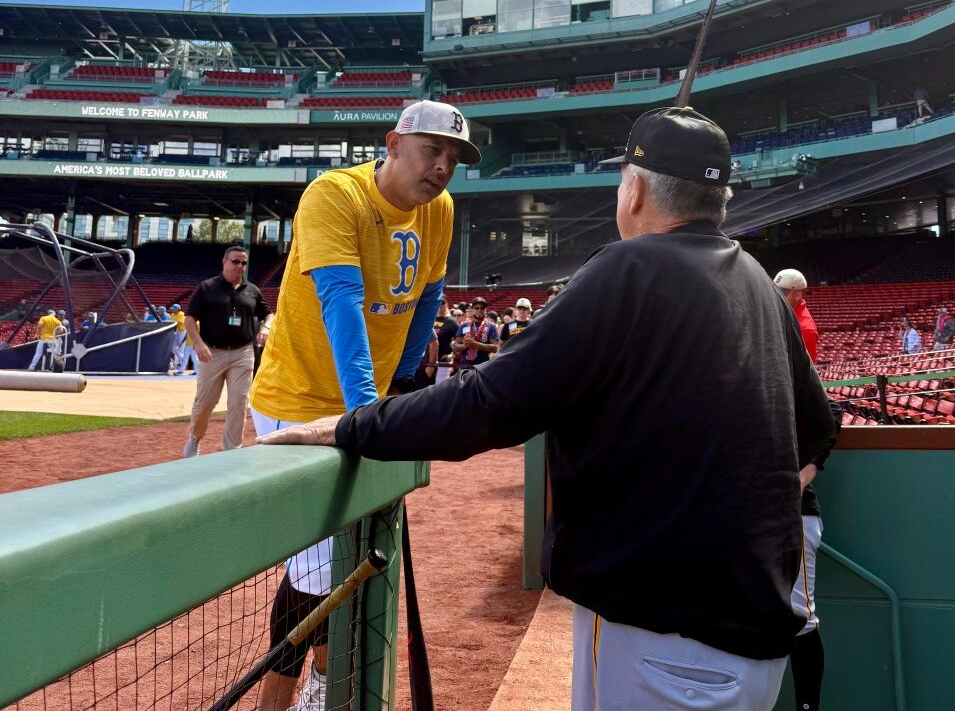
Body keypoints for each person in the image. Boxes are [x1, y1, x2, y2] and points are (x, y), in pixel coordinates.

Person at [261, 106, 837, 711]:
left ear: (636, 191)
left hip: (663, 638)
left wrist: (357, 423)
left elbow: (488, 402)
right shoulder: (757, 281)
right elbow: (818, 428)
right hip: (756, 635)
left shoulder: (628, 268)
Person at [247, 99, 478, 711]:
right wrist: (370, 414)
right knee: (319, 567)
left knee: (338, 556)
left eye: (453, 157)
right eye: (432, 150)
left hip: (363, 404)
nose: (443, 166)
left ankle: (318, 686)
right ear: (394, 144)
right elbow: (342, 302)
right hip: (299, 398)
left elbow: (428, 296)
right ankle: (304, 691)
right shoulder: (335, 194)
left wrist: (401, 382)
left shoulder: (440, 209)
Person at [774, 268, 835, 711]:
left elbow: (830, 423)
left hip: (794, 515)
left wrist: (807, 472)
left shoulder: (803, 336)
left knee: (799, 617)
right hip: (755, 514)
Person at [181, 246, 274, 459]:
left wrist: (266, 328)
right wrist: (198, 344)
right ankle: (195, 439)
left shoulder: (252, 290)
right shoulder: (207, 288)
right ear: (224, 262)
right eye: (235, 261)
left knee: (238, 402)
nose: (240, 266)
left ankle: (232, 450)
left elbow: (269, 314)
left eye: (243, 263)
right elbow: (189, 318)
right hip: (212, 352)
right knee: (205, 403)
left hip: (243, 353)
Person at [450, 296, 499, 373]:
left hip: (483, 369)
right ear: (472, 310)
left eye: (482, 308)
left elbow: (495, 348)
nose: (479, 310)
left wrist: (475, 344)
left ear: (485, 310)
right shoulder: (464, 325)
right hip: (464, 368)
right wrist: (465, 345)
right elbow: (455, 347)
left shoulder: (491, 326)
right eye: (476, 308)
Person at [432, 296, 461, 382]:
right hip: (428, 362)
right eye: (437, 302)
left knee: (440, 387)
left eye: (442, 303)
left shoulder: (451, 321)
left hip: (443, 363)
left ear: (446, 304)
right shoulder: (430, 319)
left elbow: (462, 340)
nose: (440, 305)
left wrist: (452, 355)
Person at [168, 302, 188, 373]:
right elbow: (170, 321)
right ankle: (178, 363)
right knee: (174, 348)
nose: (172, 310)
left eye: (174, 309)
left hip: (182, 331)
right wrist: (173, 321)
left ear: (178, 309)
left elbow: (181, 322)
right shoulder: (173, 314)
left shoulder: (181, 314)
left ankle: (182, 364)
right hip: (176, 331)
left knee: (181, 347)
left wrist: (173, 321)